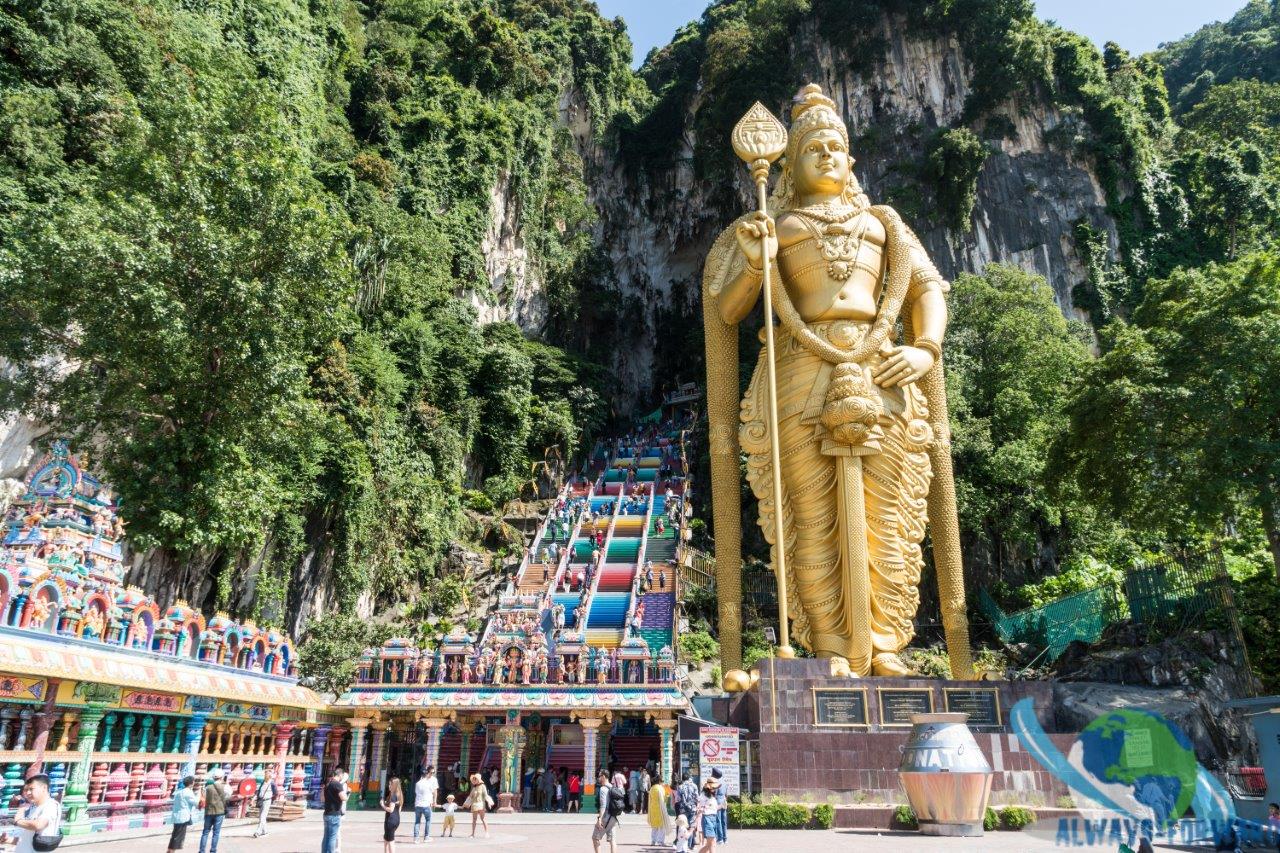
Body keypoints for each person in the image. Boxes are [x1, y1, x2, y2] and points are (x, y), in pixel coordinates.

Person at [13, 774, 59, 853]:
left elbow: (39, 825)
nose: (28, 793)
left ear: (44, 788)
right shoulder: (34, 807)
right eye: (26, 790)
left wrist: (18, 821)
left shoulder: (51, 805)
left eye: (31, 789)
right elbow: (29, 839)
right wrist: (9, 839)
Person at [198, 767, 231, 853]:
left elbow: (203, 798)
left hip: (209, 812)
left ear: (213, 777)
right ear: (222, 777)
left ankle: (201, 851)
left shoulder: (208, 787)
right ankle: (213, 850)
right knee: (216, 833)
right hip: (219, 812)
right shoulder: (225, 787)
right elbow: (228, 796)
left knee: (205, 833)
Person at [167, 775, 199, 853]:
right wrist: (199, 793)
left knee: (175, 835)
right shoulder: (188, 792)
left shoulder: (179, 791)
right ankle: (171, 851)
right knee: (177, 836)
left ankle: (170, 850)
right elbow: (196, 803)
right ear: (191, 783)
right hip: (182, 817)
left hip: (177, 816)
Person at [592, 770, 622, 853]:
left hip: (605, 818)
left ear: (604, 776)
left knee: (595, 838)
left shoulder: (603, 789)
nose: (598, 778)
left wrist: (599, 819)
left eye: (599, 776)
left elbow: (603, 806)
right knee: (612, 840)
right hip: (613, 817)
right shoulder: (612, 787)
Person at [322, 768, 349, 853]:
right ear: (340, 775)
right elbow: (344, 798)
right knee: (332, 837)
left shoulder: (328, 784)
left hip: (326, 813)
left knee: (326, 836)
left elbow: (322, 798)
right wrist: (348, 793)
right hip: (334, 814)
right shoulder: (337, 784)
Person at [462, 772, 492, 838]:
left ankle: (487, 832)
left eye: (475, 779)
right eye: (474, 779)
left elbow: (486, 795)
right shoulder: (474, 788)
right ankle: (472, 834)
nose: (474, 780)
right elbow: (470, 797)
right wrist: (465, 804)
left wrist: (489, 802)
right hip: (474, 805)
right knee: (474, 820)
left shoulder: (483, 786)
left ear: (478, 779)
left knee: (483, 819)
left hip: (481, 804)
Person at [414, 765, 439, 843]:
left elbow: (416, 793)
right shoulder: (429, 783)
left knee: (417, 821)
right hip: (426, 804)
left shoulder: (417, 783)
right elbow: (434, 792)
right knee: (428, 820)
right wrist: (433, 801)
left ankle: (416, 838)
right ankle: (426, 837)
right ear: (427, 773)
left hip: (418, 804)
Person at [695, 778, 720, 853]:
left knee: (712, 843)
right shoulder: (703, 795)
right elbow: (699, 808)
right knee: (711, 844)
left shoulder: (711, 796)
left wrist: (722, 806)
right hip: (707, 818)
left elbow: (713, 808)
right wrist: (696, 821)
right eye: (714, 787)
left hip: (713, 818)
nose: (715, 789)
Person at [648, 775, 673, 846]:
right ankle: (660, 841)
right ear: (659, 781)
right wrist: (668, 793)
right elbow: (664, 799)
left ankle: (653, 841)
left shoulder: (652, 788)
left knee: (654, 826)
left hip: (653, 809)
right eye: (662, 781)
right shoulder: (661, 788)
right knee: (662, 826)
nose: (662, 782)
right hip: (660, 809)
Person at [254, 766, 278, 838]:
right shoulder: (263, 782)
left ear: (269, 776)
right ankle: (265, 831)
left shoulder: (272, 784)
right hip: (261, 800)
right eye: (265, 774)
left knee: (262, 816)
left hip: (267, 800)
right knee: (262, 817)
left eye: (266, 774)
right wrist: (255, 798)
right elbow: (259, 791)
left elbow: (276, 793)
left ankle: (258, 832)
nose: (265, 776)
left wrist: (272, 800)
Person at [382, 776, 403, 852]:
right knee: (386, 838)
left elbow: (391, 809)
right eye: (389, 784)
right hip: (396, 819)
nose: (389, 786)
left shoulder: (393, 795)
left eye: (390, 784)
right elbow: (399, 809)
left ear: (394, 785)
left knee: (390, 841)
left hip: (390, 820)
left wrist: (382, 805)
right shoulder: (399, 794)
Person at [709, 769, 727, 845]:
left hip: (717, 803)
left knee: (718, 821)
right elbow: (726, 794)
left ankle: (720, 839)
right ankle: (725, 838)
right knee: (724, 821)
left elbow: (714, 794)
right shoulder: (724, 782)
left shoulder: (716, 783)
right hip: (724, 801)